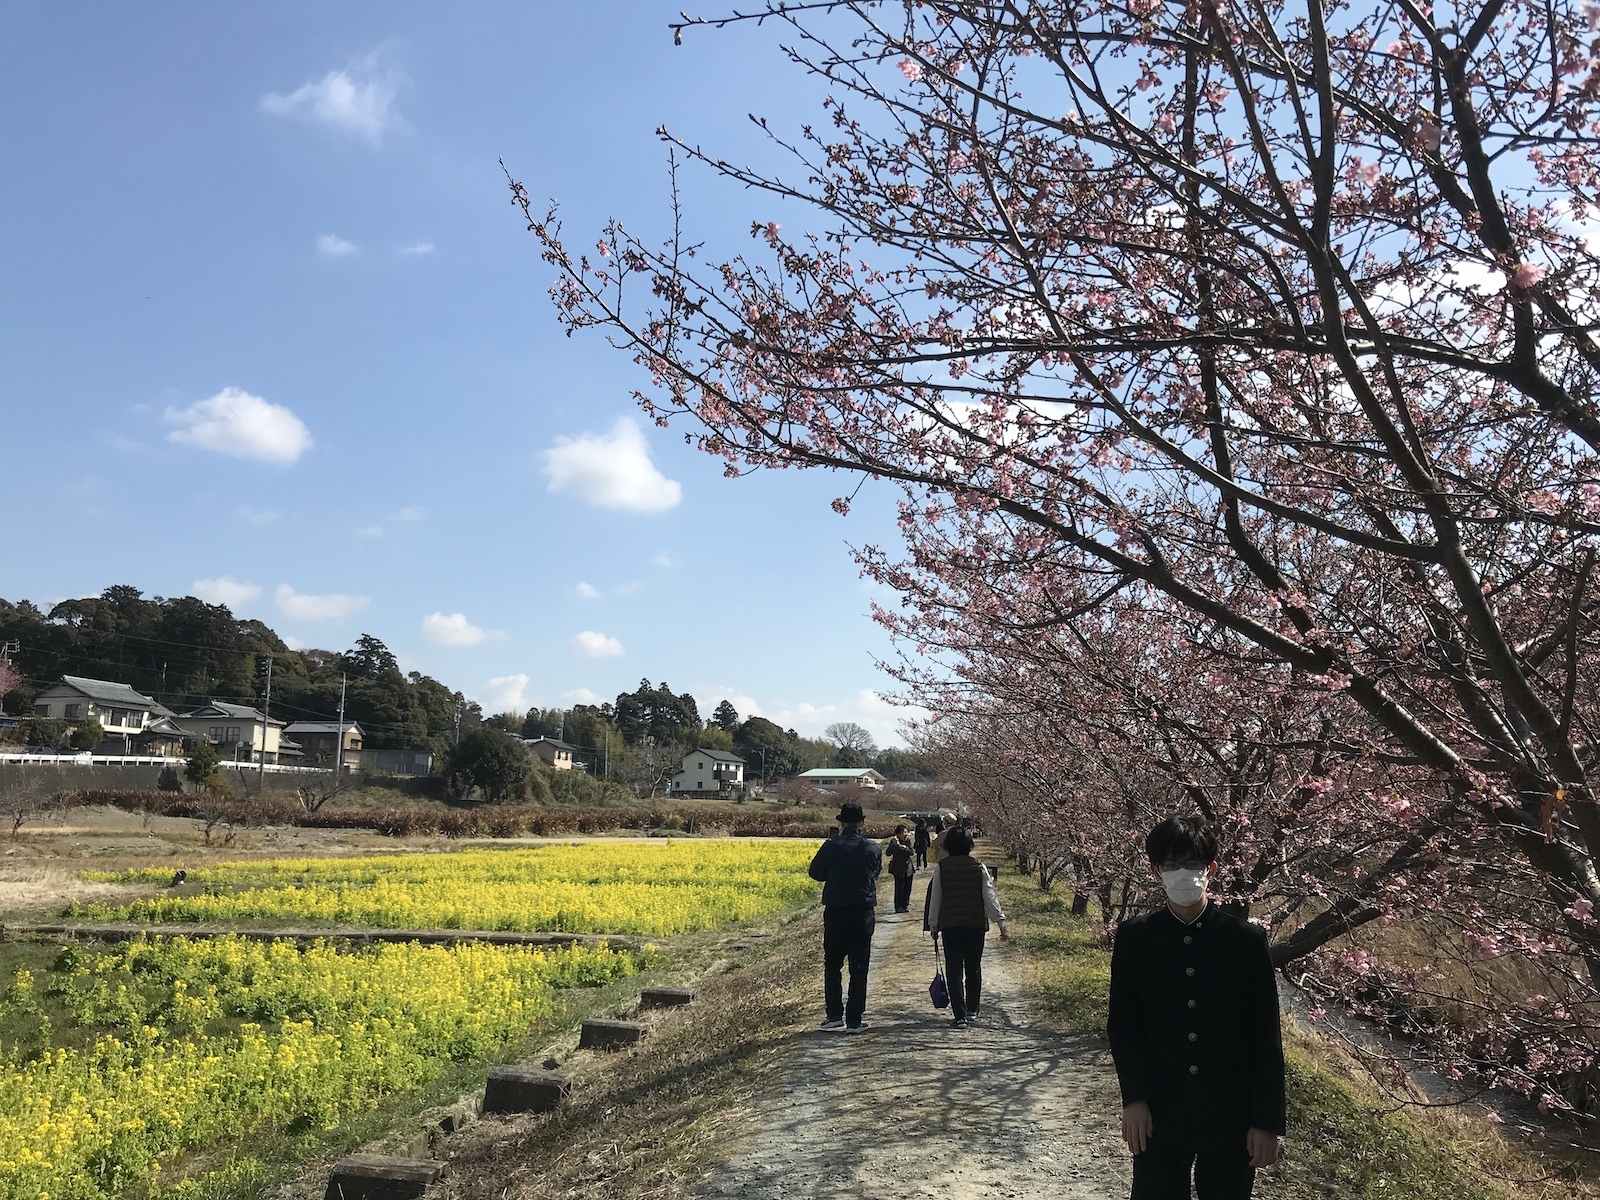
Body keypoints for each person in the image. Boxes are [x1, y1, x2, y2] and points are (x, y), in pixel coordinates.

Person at [1108, 815, 1286, 1200]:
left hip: (1230, 1111)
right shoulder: (1136, 937)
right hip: (1159, 1108)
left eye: (1192, 864)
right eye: (1171, 866)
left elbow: (1265, 1035)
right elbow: (1124, 1025)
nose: (1182, 874)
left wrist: (1266, 1121)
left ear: (1212, 869)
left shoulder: (1245, 940)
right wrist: (1134, 1099)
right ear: (1156, 870)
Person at [808, 800, 883, 1033]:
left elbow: (815, 873)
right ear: (862, 822)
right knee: (859, 967)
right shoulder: (873, 848)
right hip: (862, 912)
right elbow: (875, 873)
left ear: (841, 823)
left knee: (832, 964)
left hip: (836, 912)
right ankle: (854, 1020)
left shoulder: (831, 847)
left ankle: (833, 1016)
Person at [923, 825, 1007, 1029]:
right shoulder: (979, 866)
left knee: (953, 969)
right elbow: (990, 897)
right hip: (975, 925)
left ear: (948, 845)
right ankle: (972, 1009)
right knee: (973, 967)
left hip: (951, 926)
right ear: (970, 844)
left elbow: (936, 900)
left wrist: (933, 925)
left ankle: (959, 1015)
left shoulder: (942, 868)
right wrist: (1001, 924)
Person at [884, 823, 916, 913]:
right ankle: (898, 907)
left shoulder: (908, 841)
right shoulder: (894, 841)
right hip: (898, 868)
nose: (905, 834)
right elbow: (888, 853)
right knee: (899, 888)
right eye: (903, 832)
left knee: (907, 888)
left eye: (906, 832)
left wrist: (905, 848)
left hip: (908, 868)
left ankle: (905, 906)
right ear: (898, 834)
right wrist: (894, 845)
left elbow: (912, 852)